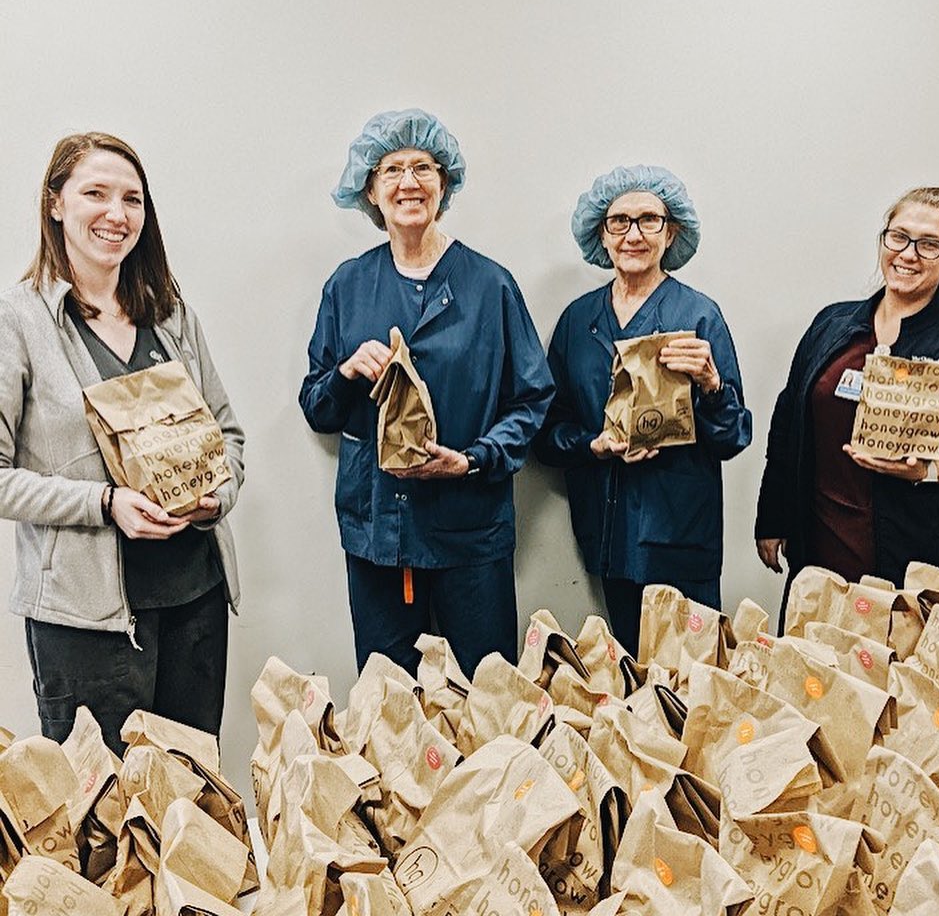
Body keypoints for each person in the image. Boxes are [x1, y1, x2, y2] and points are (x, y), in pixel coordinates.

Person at [0, 132, 244, 754]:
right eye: (96, 194)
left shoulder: (171, 315)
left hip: (195, 601)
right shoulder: (18, 323)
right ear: (56, 204)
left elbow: (229, 433)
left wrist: (219, 493)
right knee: (106, 825)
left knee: (192, 807)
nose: (117, 214)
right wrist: (105, 504)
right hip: (87, 625)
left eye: (132, 199)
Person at [299, 109, 553, 678]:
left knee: (487, 700)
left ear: (445, 184)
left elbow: (533, 399)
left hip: (470, 534)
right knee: (388, 709)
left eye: (422, 168)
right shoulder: (348, 286)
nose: (407, 182)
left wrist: (471, 460)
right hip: (377, 536)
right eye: (391, 170)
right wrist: (344, 374)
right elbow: (316, 406)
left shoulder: (490, 286)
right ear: (370, 189)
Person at [755, 186, 939, 615]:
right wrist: (772, 518)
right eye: (897, 237)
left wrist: (927, 470)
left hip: (915, 569)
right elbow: (788, 424)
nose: (908, 254)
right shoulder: (832, 325)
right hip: (818, 562)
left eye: (929, 244)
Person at [535, 165, 751, 656]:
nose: (633, 235)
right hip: (609, 541)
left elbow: (734, 436)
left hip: (680, 536)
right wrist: (593, 444)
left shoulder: (698, 316)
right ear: (602, 236)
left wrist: (712, 384)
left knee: (693, 685)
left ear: (671, 232)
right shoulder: (578, 322)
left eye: (649, 220)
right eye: (619, 222)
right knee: (632, 677)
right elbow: (547, 432)